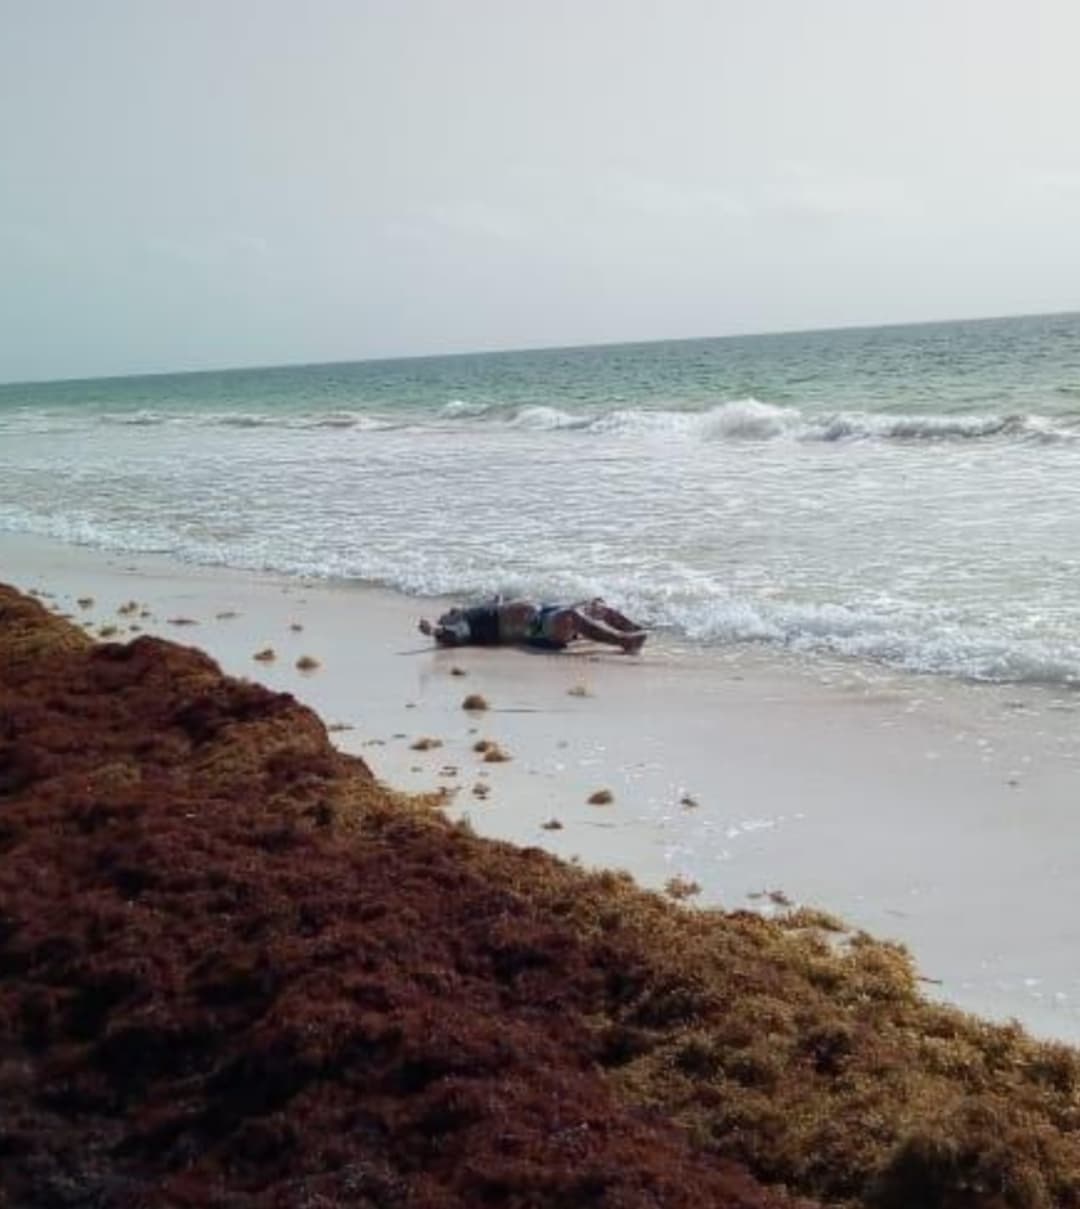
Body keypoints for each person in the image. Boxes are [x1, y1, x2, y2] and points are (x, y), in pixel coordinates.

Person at [418, 596, 647, 653]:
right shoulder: (468, 622)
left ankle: (636, 629)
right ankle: (624, 642)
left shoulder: (478, 609)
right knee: (572, 616)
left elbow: (499, 601)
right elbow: (455, 635)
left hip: (547, 611)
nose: (447, 612)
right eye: (445, 616)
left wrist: (499, 597)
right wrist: (436, 629)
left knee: (596, 604)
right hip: (537, 629)